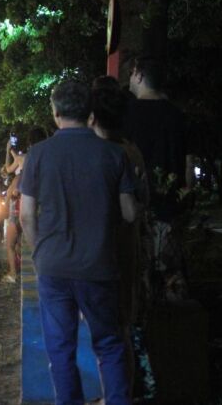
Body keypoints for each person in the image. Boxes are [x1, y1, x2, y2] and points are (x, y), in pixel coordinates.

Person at [20, 80, 137, 405]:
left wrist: (39, 253)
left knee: (60, 348)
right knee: (110, 345)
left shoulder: (38, 154)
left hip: (53, 267)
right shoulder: (114, 154)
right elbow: (129, 214)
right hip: (99, 266)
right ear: (90, 112)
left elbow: (26, 215)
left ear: (55, 113)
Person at [91, 79, 156, 401]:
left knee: (99, 332)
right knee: (122, 329)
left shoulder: (90, 154)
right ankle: (120, 394)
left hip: (91, 254)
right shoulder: (132, 152)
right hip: (125, 250)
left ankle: (109, 395)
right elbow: (141, 202)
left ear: (92, 117)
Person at [124, 55, 192, 303]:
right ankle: (173, 331)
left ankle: (144, 333)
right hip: (170, 207)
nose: (130, 79)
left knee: (141, 278)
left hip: (139, 208)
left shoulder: (128, 115)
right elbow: (188, 163)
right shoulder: (177, 115)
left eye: (131, 74)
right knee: (171, 277)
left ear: (139, 75)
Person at [2, 127, 47, 284]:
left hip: (18, 204)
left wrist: (8, 151)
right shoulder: (47, 158)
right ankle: (33, 271)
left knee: (11, 243)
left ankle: (13, 274)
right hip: (38, 202)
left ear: (29, 142)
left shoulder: (23, 158)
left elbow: (7, 170)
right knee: (28, 242)